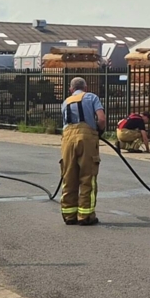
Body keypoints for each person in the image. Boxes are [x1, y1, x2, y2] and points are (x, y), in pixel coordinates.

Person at [59, 77, 107, 226]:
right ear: (85, 87)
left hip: (67, 139)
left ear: (71, 89)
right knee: (88, 177)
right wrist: (99, 131)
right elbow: (101, 119)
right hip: (86, 138)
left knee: (69, 177)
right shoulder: (91, 97)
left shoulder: (66, 102)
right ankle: (85, 216)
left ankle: (69, 215)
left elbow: (66, 123)